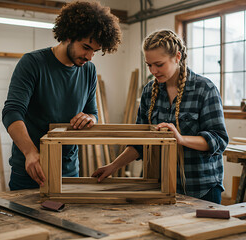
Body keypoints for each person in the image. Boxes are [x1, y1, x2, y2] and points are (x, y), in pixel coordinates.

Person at [92, 30, 228, 204]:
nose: (153, 71)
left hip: (200, 187)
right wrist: (112, 166)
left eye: (159, 64)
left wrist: (181, 139)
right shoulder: (149, 91)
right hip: (159, 185)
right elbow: (139, 143)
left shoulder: (205, 89)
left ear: (177, 57)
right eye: (149, 65)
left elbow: (219, 140)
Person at [2, 1, 121, 190]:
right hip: (31, 168)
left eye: (95, 51)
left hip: (69, 170)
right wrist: (30, 153)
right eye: (86, 47)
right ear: (68, 36)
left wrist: (88, 118)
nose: (90, 57)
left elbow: (93, 113)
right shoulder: (32, 63)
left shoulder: (88, 71)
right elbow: (12, 112)